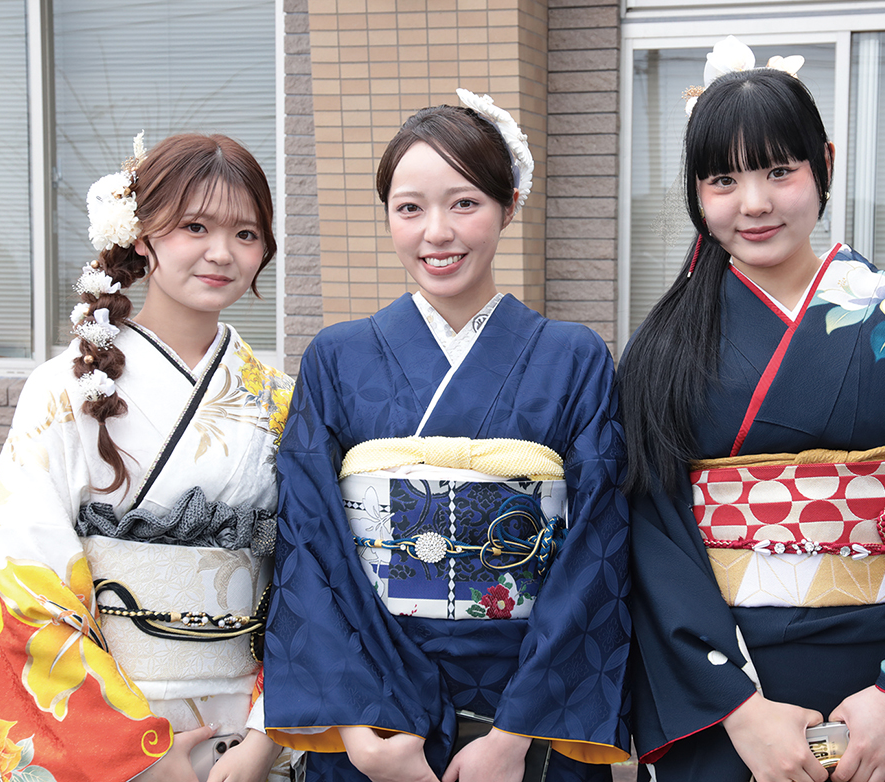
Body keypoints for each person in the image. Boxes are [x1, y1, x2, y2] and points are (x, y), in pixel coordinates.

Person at [620, 36, 885, 782]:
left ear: (823, 163)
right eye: (723, 179)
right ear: (695, 192)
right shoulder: (662, 348)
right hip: (735, 696)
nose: (754, 203)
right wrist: (739, 711)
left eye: (779, 171)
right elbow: (649, 536)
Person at [262, 90, 631, 782]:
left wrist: (514, 736)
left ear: (509, 205)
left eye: (465, 203)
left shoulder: (574, 357)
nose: (437, 232)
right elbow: (308, 545)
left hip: (528, 710)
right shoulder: (336, 358)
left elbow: (598, 546)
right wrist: (361, 729)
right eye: (410, 208)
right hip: (373, 710)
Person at [0, 132, 299, 782]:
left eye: (245, 234)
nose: (221, 252)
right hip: (101, 734)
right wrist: (132, 756)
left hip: (243, 736)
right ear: (142, 235)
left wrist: (269, 732)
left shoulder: (281, 400)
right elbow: (16, 572)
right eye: (195, 226)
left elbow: (311, 579)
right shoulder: (62, 389)